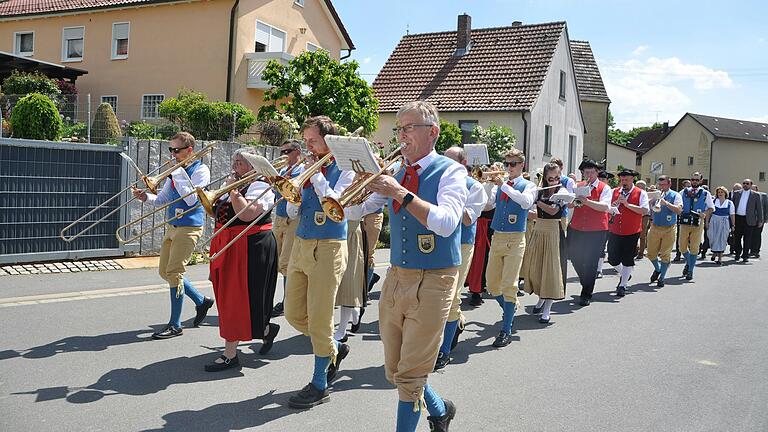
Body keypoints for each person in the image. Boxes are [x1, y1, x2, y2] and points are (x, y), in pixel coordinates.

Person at [346, 101, 466, 431]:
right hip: (398, 275)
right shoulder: (396, 171)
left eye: (409, 128)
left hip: (436, 278)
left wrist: (399, 192)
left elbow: (446, 222)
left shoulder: (451, 171)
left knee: (410, 377)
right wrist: (347, 192)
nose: (402, 135)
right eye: (399, 128)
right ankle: (440, 410)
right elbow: (357, 212)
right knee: (397, 367)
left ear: (433, 133)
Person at [283, 116, 355, 409]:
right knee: (293, 314)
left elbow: (337, 203)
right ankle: (334, 347)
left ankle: (319, 383)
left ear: (328, 140)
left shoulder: (346, 169)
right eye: (307, 140)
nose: (307, 147)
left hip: (329, 247)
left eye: (312, 141)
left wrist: (316, 177)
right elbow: (290, 212)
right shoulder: (305, 168)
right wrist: (294, 194)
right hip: (302, 242)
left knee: (322, 316)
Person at [132, 132, 214, 339]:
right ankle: (201, 301)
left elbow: (191, 200)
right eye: (171, 149)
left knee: (175, 273)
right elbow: (163, 199)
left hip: (189, 227)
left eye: (176, 150)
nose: (173, 154)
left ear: (189, 150)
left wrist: (176, 173)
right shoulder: (175, 171)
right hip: (172, 226)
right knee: (165, 272)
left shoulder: (201, 170)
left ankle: (175, 324)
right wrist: (145, 197)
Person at [205, 149, 279, 371]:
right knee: (233, 299)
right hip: (230, 245)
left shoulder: (261, 186)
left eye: (240, 162)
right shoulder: (235, 184)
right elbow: (220, 214)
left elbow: (246, 215)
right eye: (234, 161)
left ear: (253, 166)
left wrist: (234, 191)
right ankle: (265, 330)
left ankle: (230, 354)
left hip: (251, 247)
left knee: (240, 300)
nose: (235, 165)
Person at [435, 146, 487, 370]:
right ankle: (457, 323)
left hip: (462, 243)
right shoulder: (438, 180)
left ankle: (444, 351)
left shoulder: (475, 187)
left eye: (451, 162)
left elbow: (467, 219)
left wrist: (451, 201)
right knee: (438, 296)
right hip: (439, 242)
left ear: (463, 164)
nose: (445, 167)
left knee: (453, 296)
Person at [486, 148, 536, 347]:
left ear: (522, 165)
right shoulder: (503, 185)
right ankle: (510, 307)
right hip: (497, 236)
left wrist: (504, 185)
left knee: (509, 285)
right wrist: (487, 185)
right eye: (506, 164)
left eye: (512, 164)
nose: (508, 168)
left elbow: (525, 203)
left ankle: (506, 329)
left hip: (515, 239)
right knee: (491, 285)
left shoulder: (529, 185)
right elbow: (488, 205)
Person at [520, 162, 566, 323]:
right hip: (538, 229)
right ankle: (541, 298)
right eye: (550, 178)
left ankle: (547, 308)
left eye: (557, 178)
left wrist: (537, 202)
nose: (554, 181)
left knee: (550, 270)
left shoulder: (563, 191)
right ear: (545, 178)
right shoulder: (539, 190)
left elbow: (553, 211)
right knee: (535, 267)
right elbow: (527, 206)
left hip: (553, 231)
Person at [568, 160, 611, 306]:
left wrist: (586, 201)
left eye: (591, 172)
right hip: (577, 227)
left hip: (597, 230)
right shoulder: (577, 186)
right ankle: (585, 280)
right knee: (574, 257)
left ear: (597, 172)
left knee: (591, 262)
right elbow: (569, 204)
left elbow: (605, 207)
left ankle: (586, 293)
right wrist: (573, 201)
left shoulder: (604, 188)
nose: (589, 175)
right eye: (586, 172)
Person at [271, 139, 304, 317]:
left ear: (297, 151)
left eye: (287, 151)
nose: (283, 155)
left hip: (294, 219)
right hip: (280, 217)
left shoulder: (302, 170)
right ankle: (286, 299)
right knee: (277, 260)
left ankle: (287, 301)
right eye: (282, 151)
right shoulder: (283, 170)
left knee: (287, 262)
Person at [606, 169, 649, 297]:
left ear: (632, 180)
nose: (624, 182)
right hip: (614, 229)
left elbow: (644, 210)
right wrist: (613, 206)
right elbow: (607, 208)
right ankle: (626, 274)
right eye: (622, 180)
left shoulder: (640, 193)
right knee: (612, 259)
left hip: (631, 231)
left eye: (626, 180)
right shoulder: (614, 192)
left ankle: (623, 285)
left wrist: (626, 204)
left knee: (627, 259)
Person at [333, 213, 367, 343]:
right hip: (329, 234)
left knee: (348, 283)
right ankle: (355, 309)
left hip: (350, 232)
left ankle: (341, 331)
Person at [646, 175, 683, 287]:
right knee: (651, 254)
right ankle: (658, 269)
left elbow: (679, 210)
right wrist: (651, 200)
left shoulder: (676, 195)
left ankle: (661, 277)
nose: (661, 187)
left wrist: (666, 203)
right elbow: (646, 205)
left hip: (669, 228)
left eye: (664, 184)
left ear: (669, 184)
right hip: (655, 226)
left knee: (665, 254)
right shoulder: (656, 194)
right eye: (660, 185)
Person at [678, 172, 714, 279]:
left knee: (694, 247)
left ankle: (690, 270)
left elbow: (711, 208)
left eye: (697, 180)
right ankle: (689, 262)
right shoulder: (683, 192)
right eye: (693, 179)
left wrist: (705, 214)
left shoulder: (705, 193)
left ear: (701, 181)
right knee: (682, 247)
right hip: (684, 222)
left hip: (697, 222)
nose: (694, 182)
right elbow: (678, 204)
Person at [731, 179, 764, 262]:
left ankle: (745, 255)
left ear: (750, 185)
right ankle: (738, 252)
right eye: (744, 183)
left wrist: (760, 220)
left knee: (747, 238)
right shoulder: (736, 193)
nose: (745, 185)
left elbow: (759, 208)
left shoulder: (755, 195)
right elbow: (732, 206)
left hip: (749, 219)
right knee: (737, 237)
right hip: (738, 218)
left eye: (747, 183)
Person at [707, 186, 735, 265]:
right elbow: (709, 212)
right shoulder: (713, 201)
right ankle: (714, 252)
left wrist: (733, 225)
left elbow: (732, 215)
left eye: (722, 192)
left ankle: (720, 258)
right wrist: (707, 222)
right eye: (719, 192)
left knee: (722, 239)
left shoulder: (730, 203)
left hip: (724, 221)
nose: (720, 194)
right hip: (714, 220)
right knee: (712, 237)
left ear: (725, 193)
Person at [595, 170, 614, 278]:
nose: (601, 181)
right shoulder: (595, 190)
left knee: (603, 247)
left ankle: (599, 269)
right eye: (600, 179)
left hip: (609, 222)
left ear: (607, 181)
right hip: (597, 222)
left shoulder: (611, 191)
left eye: (603, 179)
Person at [673, 179, 692, 262]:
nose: (689, 187)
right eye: (687, 186)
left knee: (690, 236)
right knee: (680, 236)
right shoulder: (680, 194)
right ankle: (678, 254)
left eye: (690, 186)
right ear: (683, 186)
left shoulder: (693, 192)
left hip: (691, 216)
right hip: (682, 216)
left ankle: (689, 253)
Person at [749, 185, 768, 258]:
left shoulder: (763, 196)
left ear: (757, 189)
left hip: (760, 219)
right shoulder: (749, 196)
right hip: (750, 219)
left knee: (757, 235)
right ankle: (750, 250)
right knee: (750, 235)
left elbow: (766, 207)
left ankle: (756, 251)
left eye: (754, 189)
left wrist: (765, 218)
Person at [635, 180, 651, 259]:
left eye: (642, 187)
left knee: (642, 234)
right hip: (635, 215)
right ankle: (635, 249)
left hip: (644, 216)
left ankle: (641, 252)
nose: (640, 188)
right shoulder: (633, 193)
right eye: (638, 186)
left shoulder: (647, 195)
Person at [729, 183, 743, 255]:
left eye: (739, 189)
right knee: (731, 234)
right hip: (729, 217)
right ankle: (731, 247)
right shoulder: (728, 194)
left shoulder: (742, 196)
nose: (737, 191)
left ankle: (734, 248)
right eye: (735, 189)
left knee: (736, 234)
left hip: (738, 217)